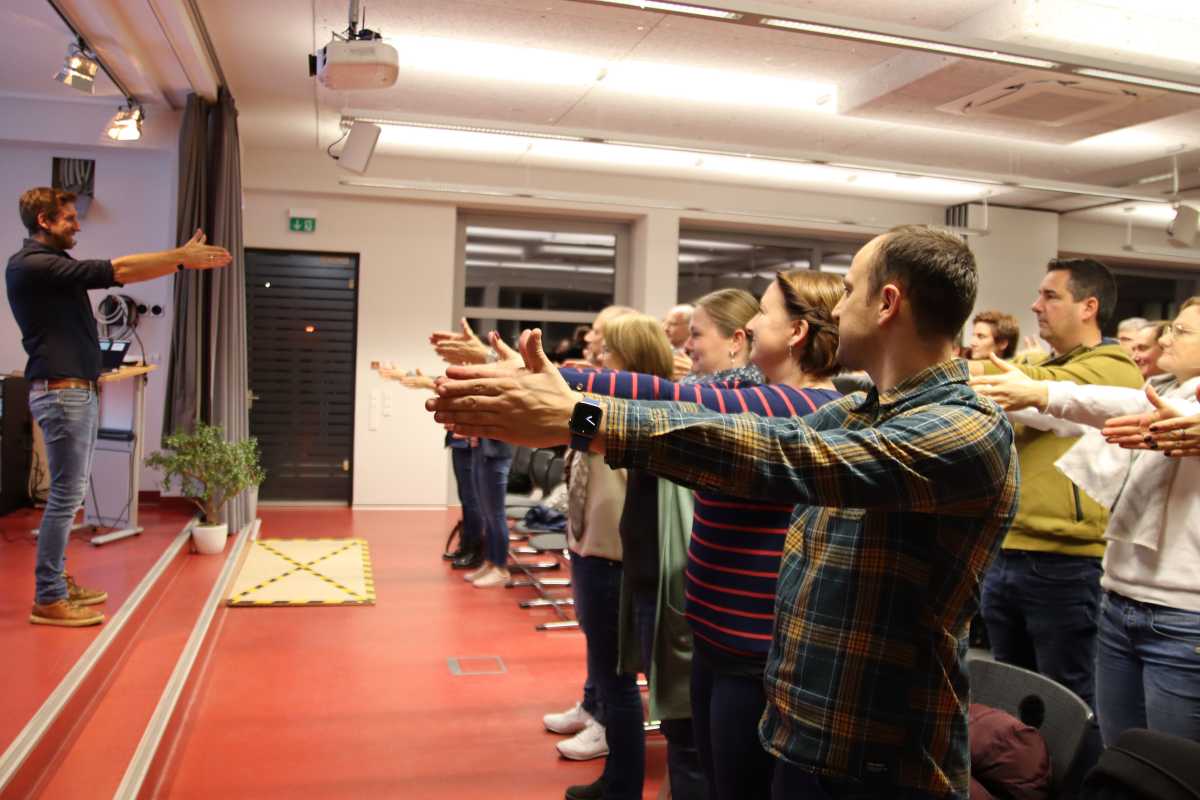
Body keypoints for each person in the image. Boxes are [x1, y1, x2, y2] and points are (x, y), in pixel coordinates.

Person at [427, 224, 1020, 800]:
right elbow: (709, 420)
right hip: (807, 735)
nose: (837, 310)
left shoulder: (966, 428)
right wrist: (568, 402)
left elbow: (782, 455)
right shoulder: (856, 412)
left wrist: (579, 419)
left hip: (883, 761)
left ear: (887, 302)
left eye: (848, 291)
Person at [549, 271, 843, 800]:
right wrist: (555, 384)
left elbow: (664, 408)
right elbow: (665, 395)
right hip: (715, 638)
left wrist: (563, 408)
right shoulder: (755, 393)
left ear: (796, 332)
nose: (752, 322)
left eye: (765, 312)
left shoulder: (803, 406)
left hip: (751, 653)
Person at [971, 296, 1200, 745]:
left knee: (1174, 766)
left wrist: (1043, 392)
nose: (1166, 338)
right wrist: (1042, 392)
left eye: (1181, 331)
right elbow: (1111, 403)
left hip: (1182, 616)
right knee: (1121, 756)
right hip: (1121, 601)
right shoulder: (1167, 390)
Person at [7, 187, 231, 627]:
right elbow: (120, 270)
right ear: (43, 221)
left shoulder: (51, 266)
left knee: (68, 495)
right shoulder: (33, 264)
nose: (77, 224)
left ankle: (56, 583)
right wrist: (181, 258)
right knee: (66, 498)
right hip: (63, 393)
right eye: (68, 218)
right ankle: (49, 597)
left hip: (73, 390)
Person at [969, 258, 1143, 712]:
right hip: (1008, 548)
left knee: (1068, 701)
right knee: (1009, 695)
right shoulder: (1036, 363)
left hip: (1065, 560)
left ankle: (1077, 767)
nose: (1036, 305)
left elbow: (1043, 389)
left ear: (1089, 307)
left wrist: (976, 372)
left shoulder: (1114, 368)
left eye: (1050, 296)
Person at [684, 288, 762, 384]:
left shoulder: (734, 390)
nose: (687, 345)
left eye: (696, 334)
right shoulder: (698, 382)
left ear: (736, 340)